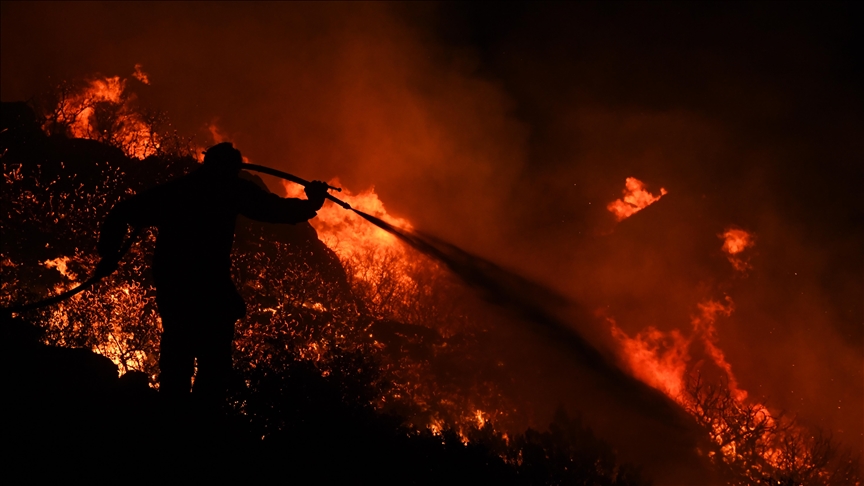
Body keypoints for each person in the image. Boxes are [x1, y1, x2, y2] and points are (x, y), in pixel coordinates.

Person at [96, 142, 329, 404]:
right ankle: (201, 427)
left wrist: (108, 254)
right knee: (211, 365)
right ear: (229, 170)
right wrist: (312, 203)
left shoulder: (178, 191)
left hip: (177, 288)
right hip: (208, 291)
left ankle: (175, 420)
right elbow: (273, 210)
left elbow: (123, 212)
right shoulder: (229, 190)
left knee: (179, 361)